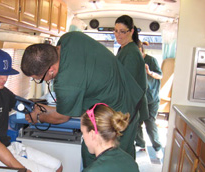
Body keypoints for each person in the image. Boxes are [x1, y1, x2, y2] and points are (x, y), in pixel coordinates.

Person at [21, 31, 144, 165]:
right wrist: (41, 108)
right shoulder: (69, 38)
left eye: (38, 79)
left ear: (51, 70)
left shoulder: (66, 82)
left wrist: (38, 117)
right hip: (129, 93)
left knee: (107, 162)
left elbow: (62, 116)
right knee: (116, 157)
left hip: (120, 112)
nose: (41, 81)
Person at [114, 15, 149, 156]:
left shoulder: (131, 53)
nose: (118, 35)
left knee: (124, 149)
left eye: (122, 31)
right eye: (116, 31)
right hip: (127, 108)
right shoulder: (124, 49)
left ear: (131, 31)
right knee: (124, 147)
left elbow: (127, 86)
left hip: (128, 109)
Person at [135, 41, 164, 159]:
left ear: (141, 50)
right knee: (136, 123)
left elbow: (160, 75)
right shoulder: (134, 61)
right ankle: (141, 144)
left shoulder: (151, 60)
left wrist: (149, 72)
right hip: (139, 98)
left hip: (151, 98)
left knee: (150, 124)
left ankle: (157, 148)